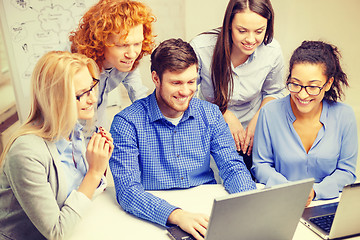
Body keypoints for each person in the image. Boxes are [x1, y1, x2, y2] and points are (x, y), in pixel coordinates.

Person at [109, 38, 256, 240]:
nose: (186, 91)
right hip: (154, 218)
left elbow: (232, 167)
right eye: (176, 83)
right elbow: (127, 191)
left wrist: (248, 202)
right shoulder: (127, 123)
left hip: (206, 212)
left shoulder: (211, 114)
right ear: (156, 78)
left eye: (191, 82)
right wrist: (178, 216)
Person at [0, 51, 114, 240]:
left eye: (92, 87)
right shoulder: (26, 153)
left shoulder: (74, 132)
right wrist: (94, 172)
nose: (93, 98)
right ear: (56, 99)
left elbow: (80, 195)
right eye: (82, 94)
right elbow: (57, 233)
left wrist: (100, 163)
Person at [252, 41, 358, 206]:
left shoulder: (344, 115)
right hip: (281, 202)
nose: (302, 94)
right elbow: (261, 165)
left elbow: (346, 172)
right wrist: (290, 190)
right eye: (295, 84)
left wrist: (316, 192)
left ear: (328, 84)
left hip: (328, 204)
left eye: (313, 87)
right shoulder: (269, 113)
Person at [190, 0, 285, 173]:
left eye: (259, 31)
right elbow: (184, 95)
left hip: (254, 134)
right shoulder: (201, 48)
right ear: (228, 25)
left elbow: (275, 91)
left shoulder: (272, 51)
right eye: (242, 31)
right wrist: (224, 114)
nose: (250, 39)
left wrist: (259, 120)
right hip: (209, 132)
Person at [69, 0, 156, 129]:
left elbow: (138, 95)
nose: (132, 54)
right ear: (100, 41)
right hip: (68, 130)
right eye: (122, 45)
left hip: (98, 126)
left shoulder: (127, 60)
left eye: (137, 43)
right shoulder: (74, 65)